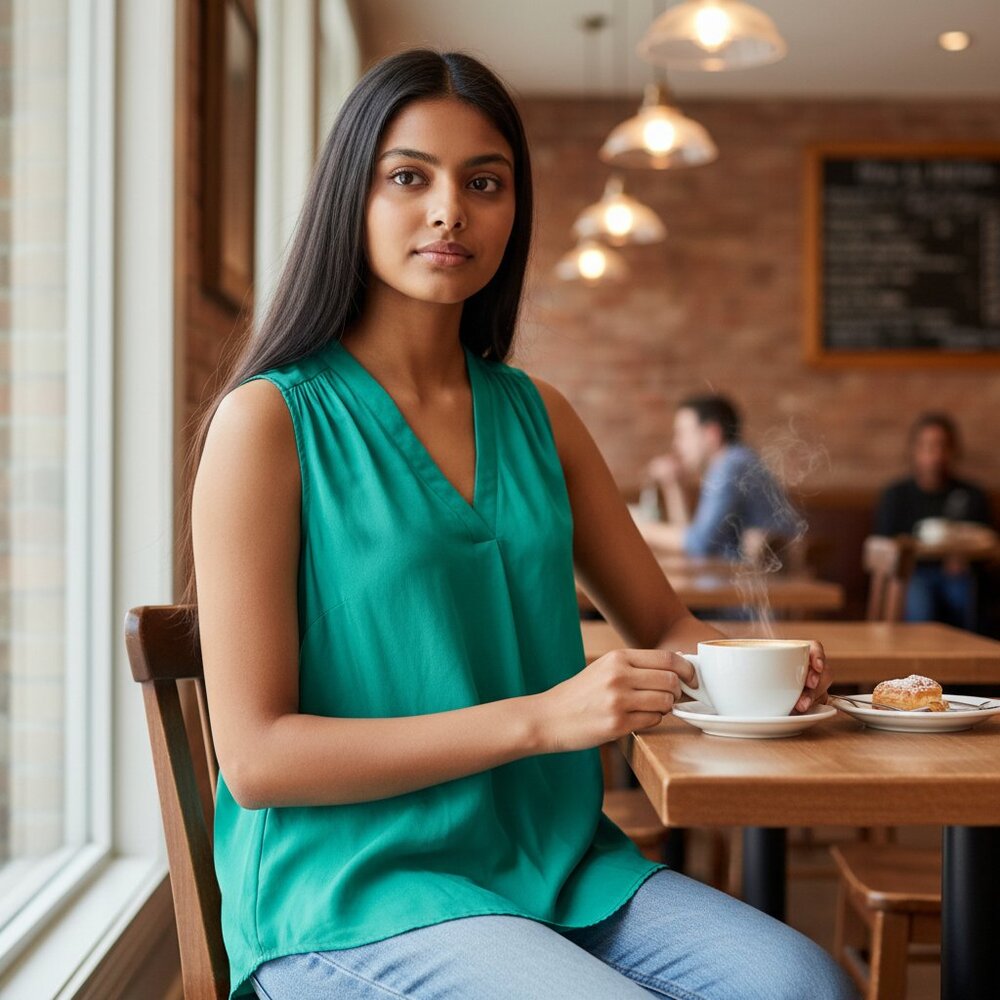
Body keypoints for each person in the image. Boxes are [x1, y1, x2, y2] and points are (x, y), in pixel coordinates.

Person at [186, 50, 852, 1000]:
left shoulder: (541, 415)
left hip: (557, 867)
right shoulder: (270, 422)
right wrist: (544, 719)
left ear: (515, 210)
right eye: (408, 176)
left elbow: (665, 630)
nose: (450, 209)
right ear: (352, 199)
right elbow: (255, 760)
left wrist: (754, 672)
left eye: (485, 182)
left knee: (801, 984)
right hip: (352, 891)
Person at [640, 395, 800, 562]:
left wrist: (643, 530)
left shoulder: (730, 465)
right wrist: (673, 484)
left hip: (773, 584)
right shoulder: (736, 461)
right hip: (754, 580)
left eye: (682, 434)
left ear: (712, 434)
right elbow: (692, 540)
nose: (675, 443)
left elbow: (699, 544)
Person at [875, 412, 995, 628]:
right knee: (920, 601)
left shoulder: (971, 495)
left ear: (953, 451)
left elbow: (987, 544)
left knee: (965, 594)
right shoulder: (896, 495)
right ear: (914, 450)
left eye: (942, 446)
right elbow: (884, 543)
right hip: (913, 573)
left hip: (958, 575)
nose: (935, 455)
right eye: (928, 446)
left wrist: (965, 558)